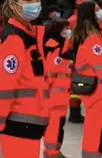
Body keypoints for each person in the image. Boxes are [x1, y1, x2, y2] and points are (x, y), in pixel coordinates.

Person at [0, 0, 49, 158]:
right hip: (18, 124)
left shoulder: (29, 35)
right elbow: (6, 87)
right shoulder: (14, 39)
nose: (35, 3)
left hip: (30, 122)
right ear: (13, 5)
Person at [69, 0, 102, 158]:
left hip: (97, 92)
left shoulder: (93, 36)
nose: (100, 12)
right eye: (97, 9)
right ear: (91, 14)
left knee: (99, 131)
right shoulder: (92, 40)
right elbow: (101, 69)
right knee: (97, 132)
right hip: (97, 92)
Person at [43, 19, 72, 158]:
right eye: (65, 29)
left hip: (59, 96)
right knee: (55, 126)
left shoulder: (59, 48)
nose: (67, 31)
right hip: (55, 97)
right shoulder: (55, 49)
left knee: (57, 126)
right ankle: (52, 153)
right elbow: (51, 74)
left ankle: (52, 151)